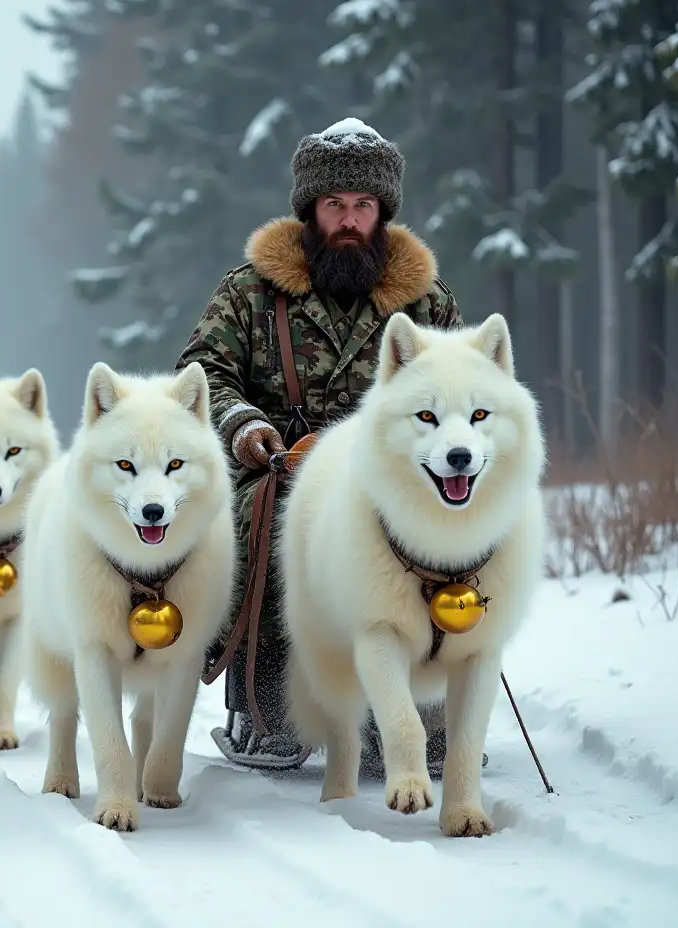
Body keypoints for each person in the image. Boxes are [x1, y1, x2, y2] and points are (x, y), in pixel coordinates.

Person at [176, 118, 464, 771]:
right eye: (335, 204)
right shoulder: (249, 292)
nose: (349, 220)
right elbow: (202, 374)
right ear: (310, 209)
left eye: (363, 206)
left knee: (440, 533)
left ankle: (424, 713)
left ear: (383, 213)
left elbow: (460, 385)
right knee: (273, 522)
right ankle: (269, 707)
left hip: (398, 473)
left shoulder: (427, 304)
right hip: (278, 467)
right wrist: (245, 425)